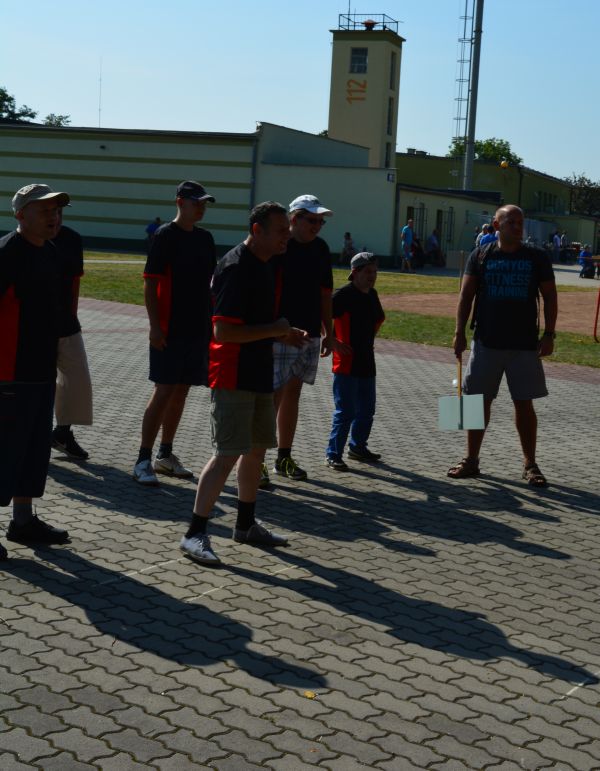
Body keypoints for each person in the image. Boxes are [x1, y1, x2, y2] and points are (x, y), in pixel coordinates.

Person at [180, 201, 308, 565]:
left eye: (287, 230)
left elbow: (257, 325)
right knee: (227, 454)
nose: (287, 236)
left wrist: (282, 334)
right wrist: (275, 329)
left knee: (255, 451)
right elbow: (223, 332)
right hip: (232, 374)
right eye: (281, 230)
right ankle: (194, 533)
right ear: (257, 230)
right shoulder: (236, 267)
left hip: (258, 372)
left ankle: (246, 524)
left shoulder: (266, 264)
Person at [448, 204, 557, 488]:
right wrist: (459, 333)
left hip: (524, 345)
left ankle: (530, 464)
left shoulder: (536, 257)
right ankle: (471, 460)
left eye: (521, 222)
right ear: (497, 226)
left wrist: (549, 334)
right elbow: (466, 296)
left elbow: (550, 296)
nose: (518, 227)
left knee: (524, 404)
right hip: (486, 342)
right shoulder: (480, 255)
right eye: (512, 222)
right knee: (476, 402)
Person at [0, 184, 72, 559]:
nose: (53, 216)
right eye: (43, 210)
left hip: (40, 369)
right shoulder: (6, 253)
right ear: (20, 215)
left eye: (56, 210)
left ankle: (23, 521)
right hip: (8, 372)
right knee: (4, 452)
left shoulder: (51, 252)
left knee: (31, 450)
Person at [133, 181, 216, 486]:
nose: (201, 208)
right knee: (164, 390)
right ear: (180, 202)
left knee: (181, 391)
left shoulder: (205, 238)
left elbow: (210, 286)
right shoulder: (165, 235)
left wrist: (212, 327)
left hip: (197, 328)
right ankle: (143, 459)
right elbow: (150, 282)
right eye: (197, 203)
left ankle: (165, 455)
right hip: (169, 329)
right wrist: (155, 326)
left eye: (204, 203)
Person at [263, 194, 334, 486]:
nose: (317, 225)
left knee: (292, 395)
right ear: (294, 219)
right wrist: (275, 330)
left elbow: (325, 293)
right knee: (271, 396)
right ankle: (256, 460)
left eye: (320, 221)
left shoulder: (321, 248)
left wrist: (329, 332)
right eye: (312, 220)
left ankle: (283, 457)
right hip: (280, 333)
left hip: (310, 334)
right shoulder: (280, 247)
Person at [325, 253, 385, 471]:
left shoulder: (372, 295)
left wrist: (369, 340)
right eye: (368, 272)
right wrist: (331, 340)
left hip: (367, 361)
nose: (372, 276)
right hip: (346, 363)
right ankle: (333, 454)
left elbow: (378, 319)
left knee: (367, 410)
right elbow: (321, 313)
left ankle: (358, 447)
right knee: (346, 411)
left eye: (375, 272)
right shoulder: (343, 295)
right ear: (355, 272)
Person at [51, 208, 93, 460]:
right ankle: (30, 438)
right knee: (39, 384)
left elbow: (75, 282)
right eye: (48, 212)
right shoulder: (22, 244)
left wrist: (73, 316)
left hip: (67, 324)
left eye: (58, 212)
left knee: (77, 380)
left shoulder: (71, 239)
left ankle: (62, 433)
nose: (54, 217)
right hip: (34, 328)